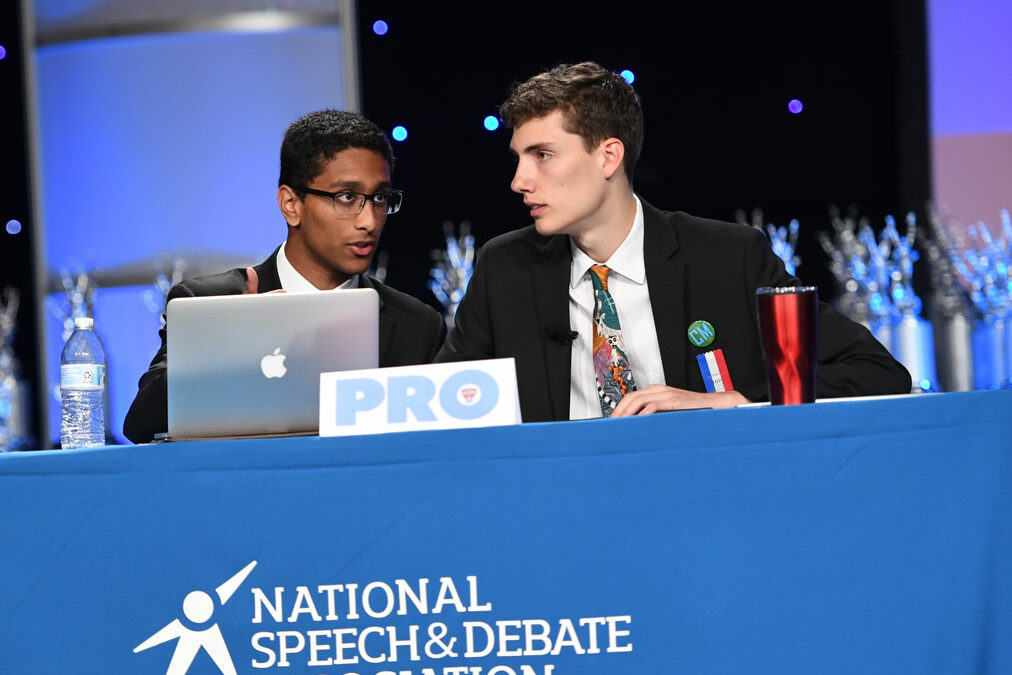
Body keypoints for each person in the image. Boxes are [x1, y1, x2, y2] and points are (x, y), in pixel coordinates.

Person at [436, 62, 910, 422]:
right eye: (518, 158)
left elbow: (877, 372)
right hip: (561, 507)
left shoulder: (728, 258)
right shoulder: (506, 268)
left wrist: (736, 403)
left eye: (542, 156)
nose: (520, 180)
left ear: (608, 157)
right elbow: (443, 403)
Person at [124, 110, 445, 443]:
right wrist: (227, 343)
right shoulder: (209, 303)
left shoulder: (417, 326)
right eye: (347, 197)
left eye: (379, 198)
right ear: (291, 204)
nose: (369, 221)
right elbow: (140, 425)